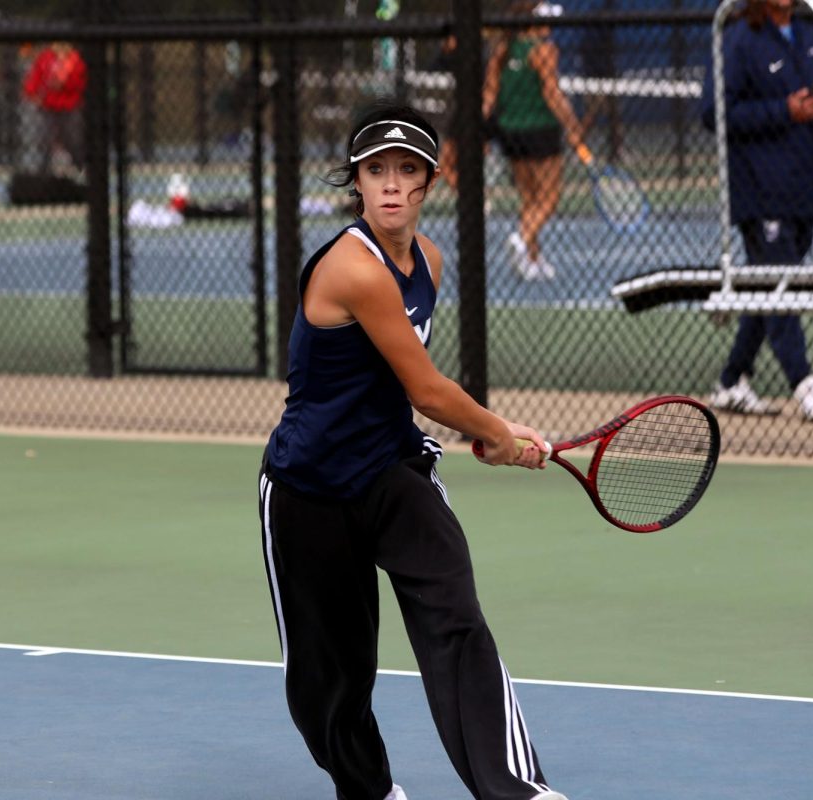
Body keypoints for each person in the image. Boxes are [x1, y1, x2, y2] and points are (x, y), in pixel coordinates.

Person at [258, 102, 569, 800]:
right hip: (309, 491)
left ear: (430, 182)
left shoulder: (429, 260)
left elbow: (405, 389)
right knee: (329, 679)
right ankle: (369, 791)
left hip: (393, 473)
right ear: (357, 183)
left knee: (457, 622)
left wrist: (482, 433)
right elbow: (428, 388)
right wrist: (499, 434)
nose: (392, 185)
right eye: (376, 171)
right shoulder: (352, 269)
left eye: (407, 171)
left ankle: (518, 789)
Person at [699, 0, 813, 423]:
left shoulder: (810, 32)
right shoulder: (738, 40)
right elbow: (714, 111)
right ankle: (805, 385)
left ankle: (730, 381)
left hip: (804, 187)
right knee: (781, 288)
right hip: (760, 191)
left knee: (769, 288)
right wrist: (783, 110)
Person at [482, 1, 585, 281]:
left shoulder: (503, 49)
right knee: (549, 198)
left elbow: (489, 95)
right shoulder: (544, 49)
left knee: (529, 199)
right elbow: (552, 93)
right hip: (541, 130)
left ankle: (533, 259)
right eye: (546, 20)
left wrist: (482, 132)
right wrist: (573, 126)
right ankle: (522, 238)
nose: (551, 26)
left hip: (511, 133)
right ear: (534, 22)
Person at [23, 42, 87, 174]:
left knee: (73, 139)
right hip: (49, 107)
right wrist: (33, 94)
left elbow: (80, 84)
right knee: (45, 138)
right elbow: (34, 79)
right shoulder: (45, 58)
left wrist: (64, 84)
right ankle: (43, 171)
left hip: (69, 106)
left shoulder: (75, 60)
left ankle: (80, 166)